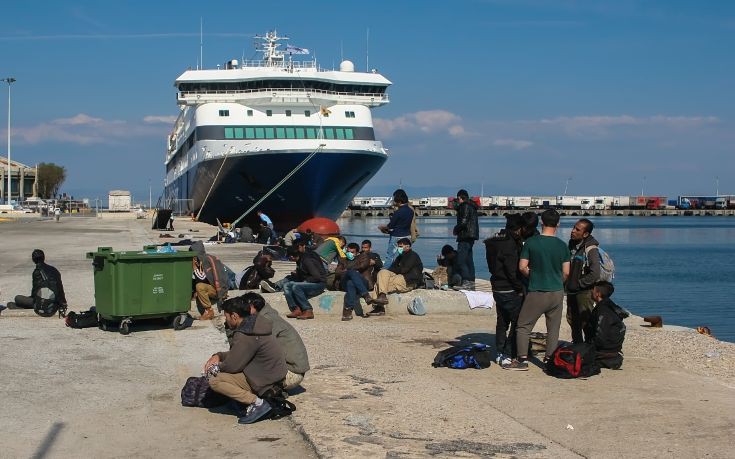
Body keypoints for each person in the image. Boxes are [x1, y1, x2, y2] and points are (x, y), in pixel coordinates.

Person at [504, 209, 570, 371]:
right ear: (558, 224)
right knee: (553, 328)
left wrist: (532, 276)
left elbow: (522, 267)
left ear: (541, 222)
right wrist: (557, 281)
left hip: (537, 291)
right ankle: (549, 361)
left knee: (523, 326)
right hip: (556, 292)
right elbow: (567, 272)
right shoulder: (562, 245)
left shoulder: (532, 243)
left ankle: (522, 360)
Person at [205, 296, 286, 424]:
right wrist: (219, 355)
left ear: (234, 316)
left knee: (215, 380)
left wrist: (215, 367)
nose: (225, 321)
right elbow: (238, 354)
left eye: (226, 317)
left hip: (263, 379)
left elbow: (232, 365)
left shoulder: (245, 334)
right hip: (274, 374)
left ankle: (258, 403)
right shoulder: (256, 324)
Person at [242, 292, 310, 390]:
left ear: (252, 306)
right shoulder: (266, 316)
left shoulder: (266, 319)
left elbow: (257, 348)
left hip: (292, 373)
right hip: (293, 370)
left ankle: (273, 391)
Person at [484, 214, 525, 365]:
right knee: (516, 322)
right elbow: (511, 270)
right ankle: (508, 354)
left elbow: (491, 265)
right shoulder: (510, 244)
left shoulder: (494, 241)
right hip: (509, 288)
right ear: (519, 229)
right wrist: (519, 288)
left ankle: (500, 351)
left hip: (496, 286)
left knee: (502, 321)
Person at [566, 218, 602, 343]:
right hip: (572, 289)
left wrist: (579, 284)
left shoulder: (591, 249)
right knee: (572, 319)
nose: (573, 231)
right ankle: (577, 345)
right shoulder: (572, 244)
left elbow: (595, 273)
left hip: (584, 291)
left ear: (585, 234)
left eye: (577, 229)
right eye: (573, 227)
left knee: (586, 320)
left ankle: (590, 346)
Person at [369, 238, 423, 316]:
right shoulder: (399, 257)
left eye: (401, 246)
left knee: (379, 284)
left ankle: (379, 307)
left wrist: (394, 271)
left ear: (408, 246)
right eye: (398, 246)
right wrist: (389, 271)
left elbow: (404, 270)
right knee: (382, 272)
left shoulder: (413, 255)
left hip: (409, 281)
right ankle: (382, 297)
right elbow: (391, 269)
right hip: (399, 278)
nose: (399, 248)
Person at [7, 249, 68, 315]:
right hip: (56, 301)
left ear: (33, 260)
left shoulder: (37, 272)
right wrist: (63, 302)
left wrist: (32, 299)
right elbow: (60, 287)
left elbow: (35, 291)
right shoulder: (54, 270)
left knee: (17, 298)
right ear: (44, 257)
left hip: (43, 302)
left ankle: (19, 306)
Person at [587, 281, 628, 369]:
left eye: (593, 290)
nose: (591, 292)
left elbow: (600, 335)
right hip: (615, 347)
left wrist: (590, 346)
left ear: (598, 294)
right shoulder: (611, 306)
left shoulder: (602, 311)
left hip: (605, 349)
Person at [283, 240, 327, 320]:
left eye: (289, 258)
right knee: (286, 285)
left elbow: (317, 277)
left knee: (296, 286)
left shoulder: (307, 260)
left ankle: (308, 310)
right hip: (310, 282)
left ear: (292, 256)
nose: (289, 259)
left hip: (319, 284)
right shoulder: (299, 261)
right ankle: (296, 308)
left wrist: (304, 282)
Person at [335, 243, 380, 320]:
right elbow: (337, 272)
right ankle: (366, 295)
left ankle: (347, 311)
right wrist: (349, 271)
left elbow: (363, 266)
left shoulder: (363, 257)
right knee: (351, 275)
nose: (350, 254)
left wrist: (347, 270)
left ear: (357, 253)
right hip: (345, 282)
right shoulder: (343, 260)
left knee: (351, 282)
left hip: (363, 282)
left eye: (352, 252)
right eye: (348, 252)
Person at [190, 241, 229, 320]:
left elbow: (203, 278)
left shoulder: (205, 261)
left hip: (219, 290)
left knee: (199, 286)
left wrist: (194, 268)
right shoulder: (206, 258)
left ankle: (209, 311)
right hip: (216, 288)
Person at [378, 189, 414, 267]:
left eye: (395, 200)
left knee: (390, 256)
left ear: (399, 202)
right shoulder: (411, 211)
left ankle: (386, 272)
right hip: (407, 236)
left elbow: (391, 226)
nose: (394, 202)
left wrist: (381, 227)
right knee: (406, 255)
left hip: (396, 236)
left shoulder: (398, 212)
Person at [453, 189, 479, 290]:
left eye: (458, 198)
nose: (457, 201)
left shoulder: (465, 206)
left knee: (461, 260)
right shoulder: (471, 206)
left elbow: (463, 222)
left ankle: (466, 281)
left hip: (465, 236)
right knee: (469, 260)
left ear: (461, 197)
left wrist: (456, 229)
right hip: (471, 236)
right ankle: (471, 282)